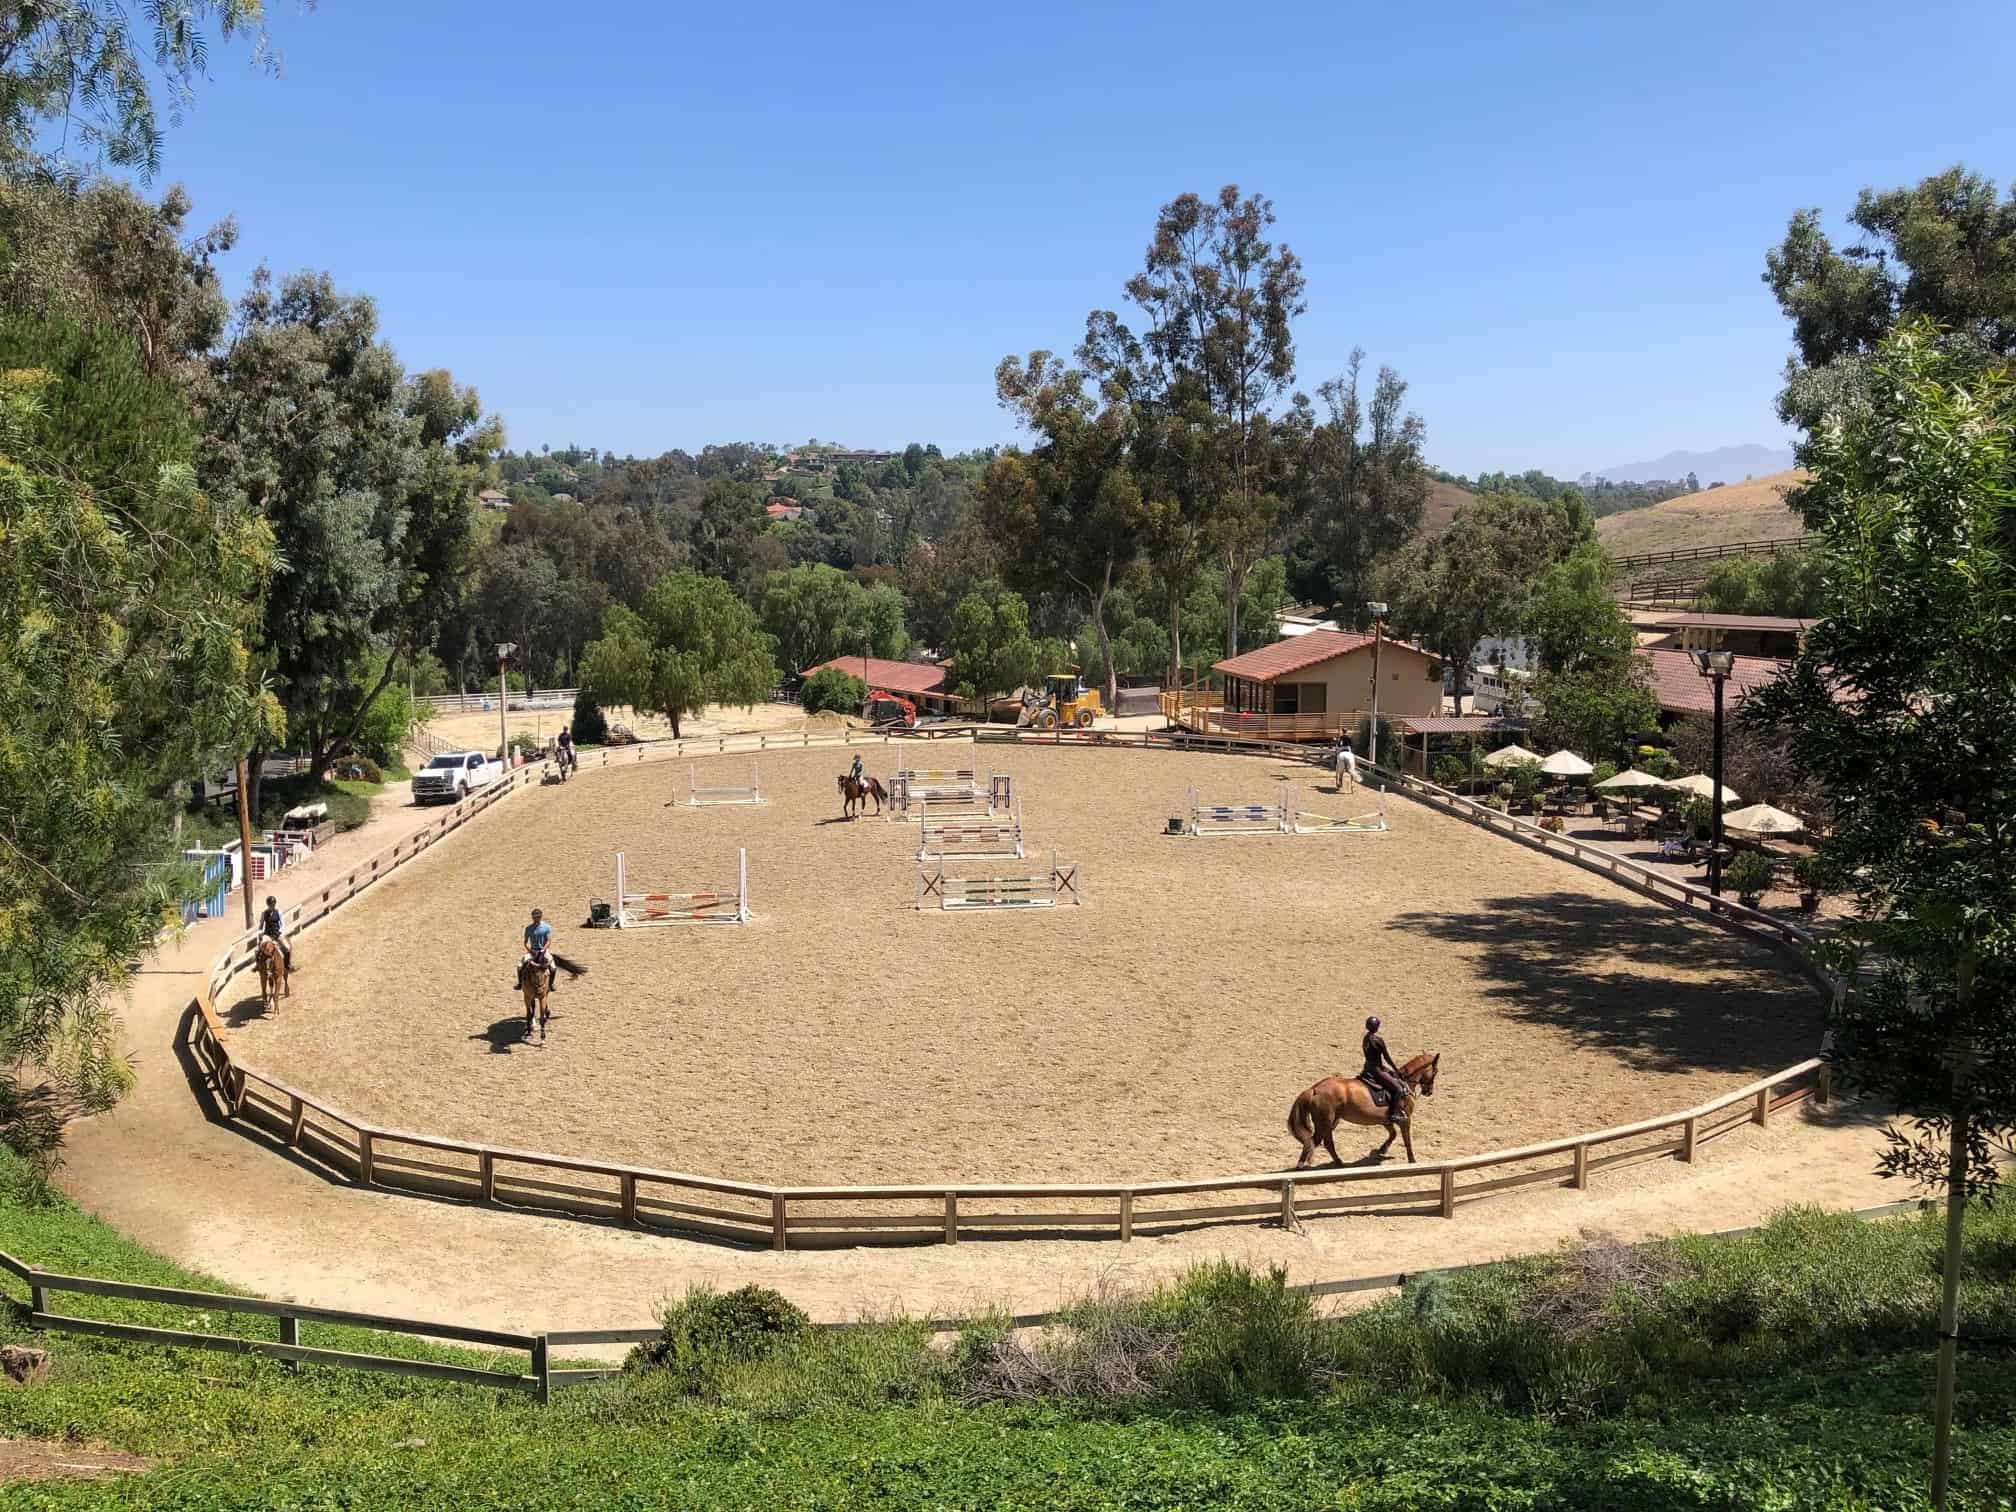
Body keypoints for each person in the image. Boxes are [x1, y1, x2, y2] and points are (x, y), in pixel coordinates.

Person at [1361, 1015, 1407, 1113]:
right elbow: (1387, 1057)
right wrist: (1396, 1070)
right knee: (1398, 1089)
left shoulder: (1365, 1038)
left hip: (1368, 1068)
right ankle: (1393, 1114)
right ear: (1376, 1027)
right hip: (1376, 1070)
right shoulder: (1378, 1040)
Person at [516, 908, 554, 991]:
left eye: (538, 917)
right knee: (519, 966)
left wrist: (543, 949)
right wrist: (530, 950)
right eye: (534, 917)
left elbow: (548, 940)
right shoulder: (528, 928)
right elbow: (525, 942)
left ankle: (551, 984)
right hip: (532, 950)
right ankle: (520, 983)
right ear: (532, 918)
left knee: (553, 968)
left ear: (541, 917)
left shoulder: (546, 927)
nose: (536, 919)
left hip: (543, 950)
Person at [259, 895, 292, 971]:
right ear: (268, 905)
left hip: (277, 934)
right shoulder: (264, 913)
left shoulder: (279, 912)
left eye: (273, 905)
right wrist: (260, 932)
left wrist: (279, 931)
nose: (272, 906)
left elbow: (283, 924)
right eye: (270, 905)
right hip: (267, 935)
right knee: (260, 947)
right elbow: (261, 925)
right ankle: (258, 965)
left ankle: (287, 965)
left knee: (287, 947)